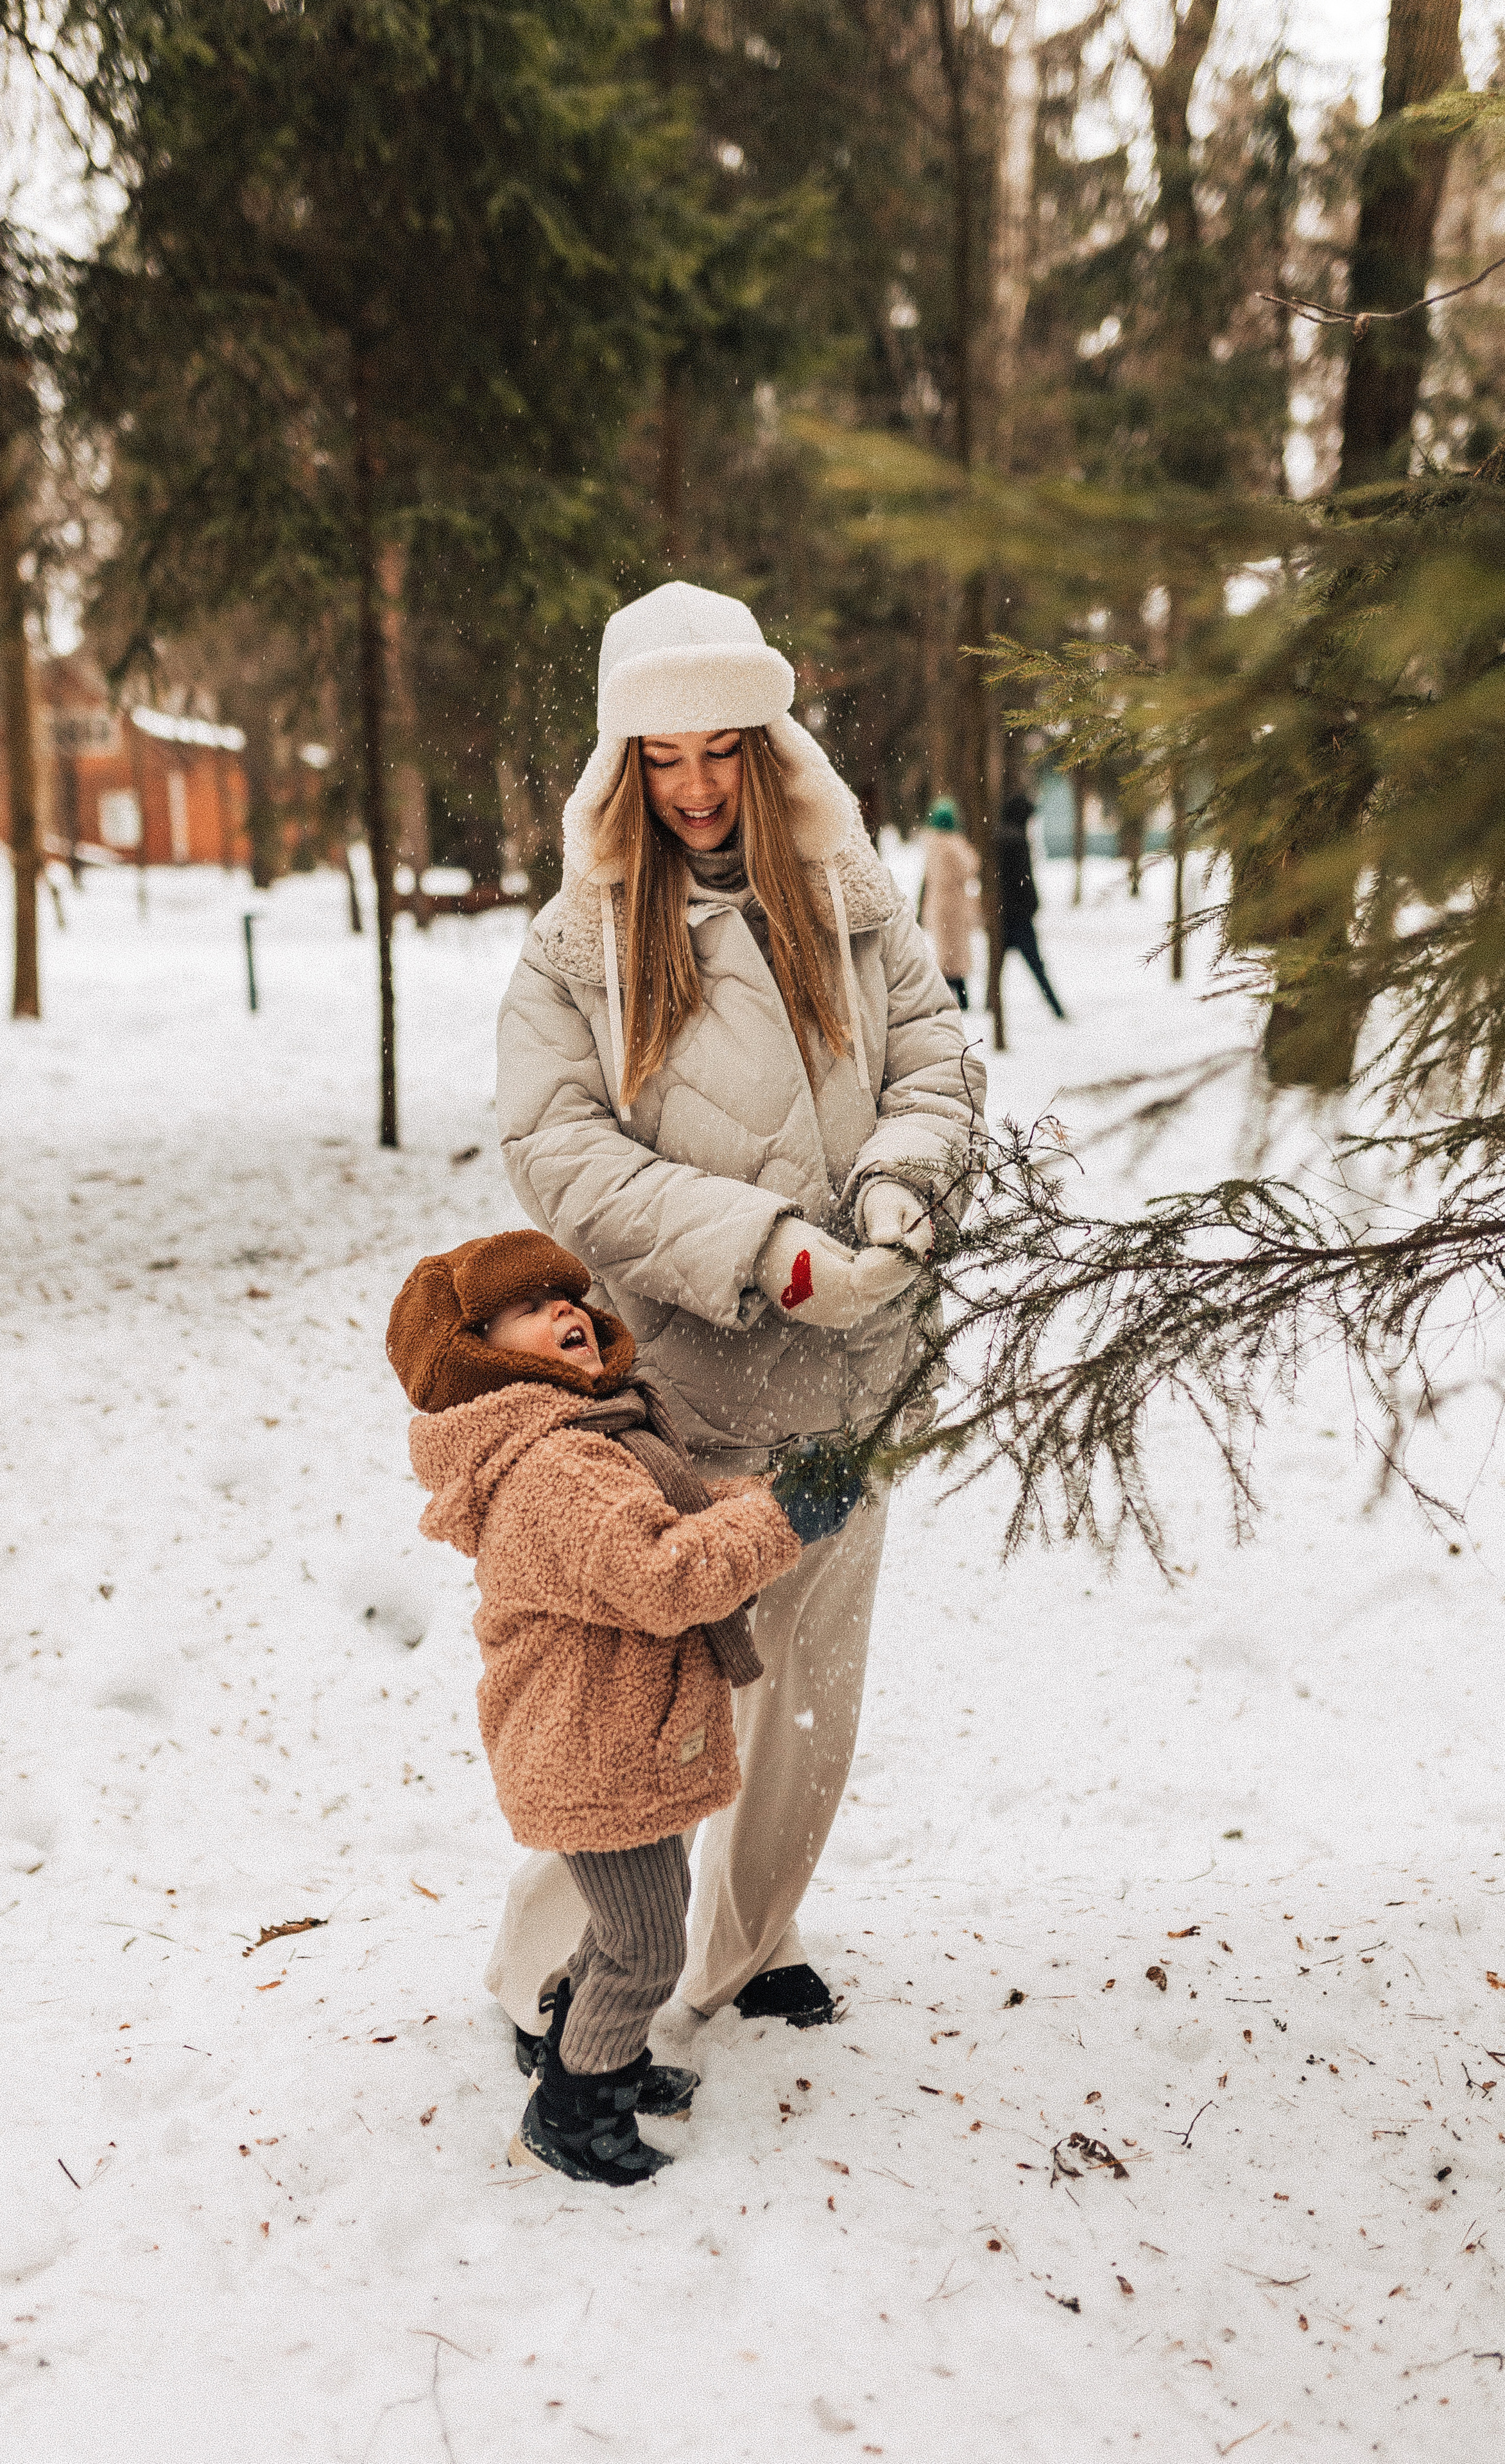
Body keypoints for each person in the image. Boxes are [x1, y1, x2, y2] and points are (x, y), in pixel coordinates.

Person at [488, 578, 988, 2047]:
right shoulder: (575, 943)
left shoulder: (849, 895)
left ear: (765, 747)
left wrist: (899, 1194)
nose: (696, 786)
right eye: (662, 756)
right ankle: (552, 1973)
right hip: (684, 1371)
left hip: (852, 1364)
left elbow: (934, 1060)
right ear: (621, 767)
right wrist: (760, 1244)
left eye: (721, 749)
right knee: (648, 1682)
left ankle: (749, 1936)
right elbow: (558, 1149)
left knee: (808, 1691)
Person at [387, 1228, 860, 2185]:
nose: (566, 1309)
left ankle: (588, 2050)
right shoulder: (554, 1470)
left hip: (606, 1732)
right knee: (647, 1945)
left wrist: (772, 1493)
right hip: (593, 1742)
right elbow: (664, 1574)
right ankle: (572, 2114)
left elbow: (675, 1508)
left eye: (568, 1295)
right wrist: (785, 1519)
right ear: (473, 1353)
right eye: (529, 1308)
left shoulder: (581, 1441)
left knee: (620, 1926)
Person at [997, 790, 1067, 1019]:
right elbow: (1023, 881)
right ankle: (1056, 1009)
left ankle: (992, 1008)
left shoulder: (1003, 836)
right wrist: (1032, 905)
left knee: (998, 969)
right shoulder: (1016, 840)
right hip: (1017, 916)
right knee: (1036, 967)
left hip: (1005, 913)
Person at [917, 796, 981, 1009]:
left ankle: (951, 998)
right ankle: (960, 1000)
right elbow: (970, 867)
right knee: (955, 955)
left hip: (938, 902)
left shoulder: (931, 843)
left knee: (946, 952)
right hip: (953, 904)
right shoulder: (953, 844)